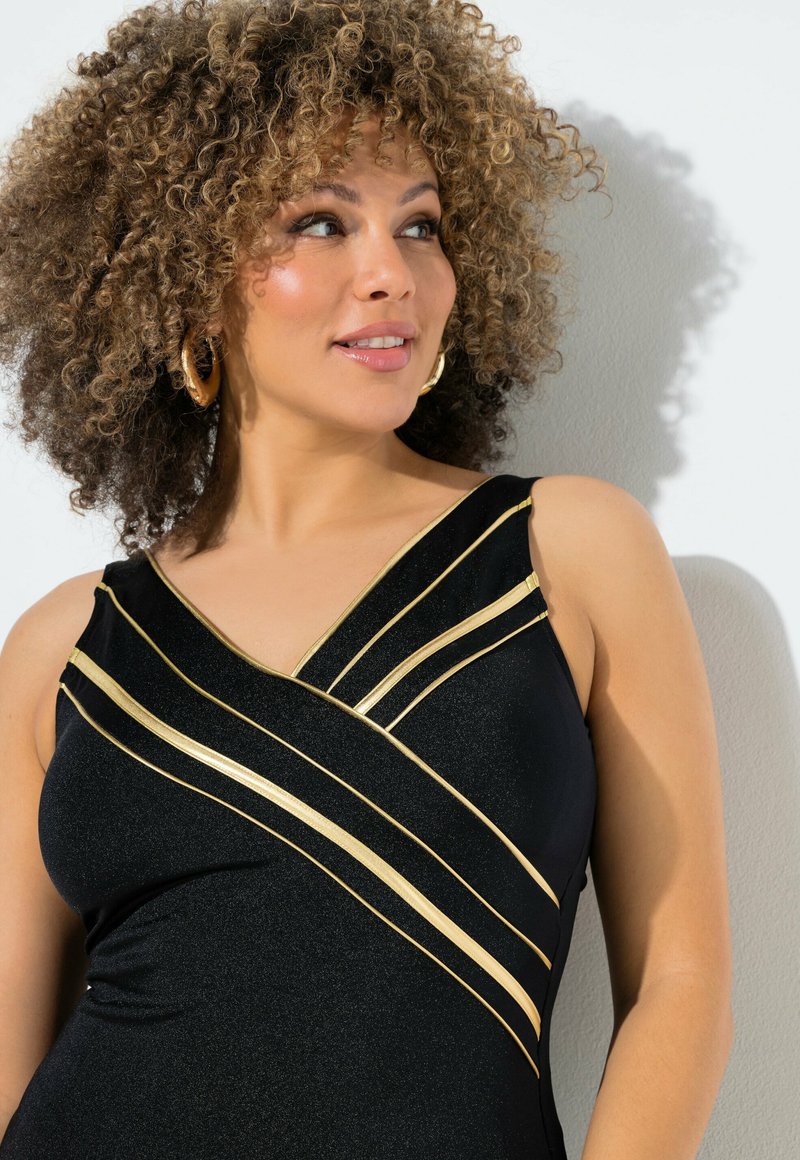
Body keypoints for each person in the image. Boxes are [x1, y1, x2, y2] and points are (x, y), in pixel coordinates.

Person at [0, 0, 733, 1156]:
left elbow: (680, 983)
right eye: (320, 222)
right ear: (190, 278)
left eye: (421, 224)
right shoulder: (65, 648)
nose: (391, 272)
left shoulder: (564, 552)